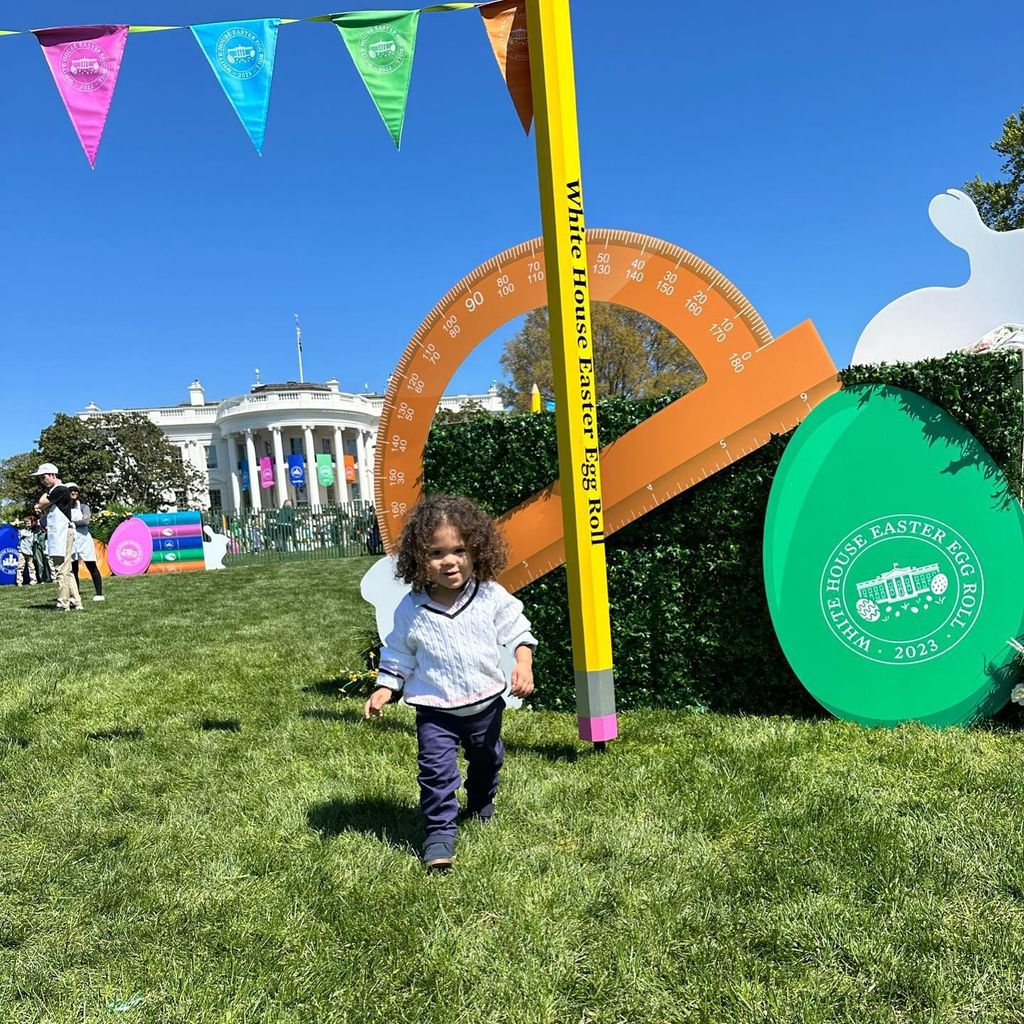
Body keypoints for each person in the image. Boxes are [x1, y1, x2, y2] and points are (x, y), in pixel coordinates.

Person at [363, 494, 537, 871]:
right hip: (435, 710)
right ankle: (440, 833)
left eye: (459, 550)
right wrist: (385, 688)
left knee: (487, 759)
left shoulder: (490, 596)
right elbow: (398, 654)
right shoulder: (412, 608)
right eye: (437, 553)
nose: (450, 561)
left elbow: (519, 632)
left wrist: (523, 664)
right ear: (418, 560)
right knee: (436, 772)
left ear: (476, 550)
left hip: (486, 707)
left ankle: (480, 802)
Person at [32, 462, 82, 611]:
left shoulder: (60, 489)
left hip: (63, 533)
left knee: (61, 568)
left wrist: (38, 506)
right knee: (66, 569)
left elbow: (42, 502)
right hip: (59, 532)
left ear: (53, 475)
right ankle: (75, 601)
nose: (43, 480)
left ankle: (63, 603)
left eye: (44, 477)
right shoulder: (57, 490)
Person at [67, 484, 105, 602]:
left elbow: (85, 522)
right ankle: (75, 595)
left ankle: (99, 593)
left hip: (84, 539)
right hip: (71, 539)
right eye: (71, 491)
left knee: (91, 565)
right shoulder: (64, 508)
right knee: (73, 569)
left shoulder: (84, 507)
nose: (74, 493)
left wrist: (72, 523)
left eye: (76, 491)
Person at [15, 518, 37, 586]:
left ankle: (33, 580)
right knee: (20, 566)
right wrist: (17, 523)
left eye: (28, 522)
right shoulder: (22, 531)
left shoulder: (33, 532)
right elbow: (16, 527)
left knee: (31, 567)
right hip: (22, 551)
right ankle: (19, 581)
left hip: (30, 551)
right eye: (26, 522)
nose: (27, 523)